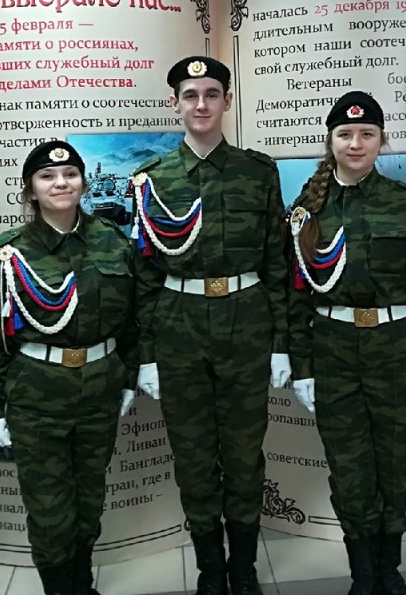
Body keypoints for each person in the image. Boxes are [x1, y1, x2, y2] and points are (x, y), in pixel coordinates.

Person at [287, 91, 406, 595]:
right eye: (345, 134)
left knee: (394, 467)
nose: (356, 143)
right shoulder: (307, 210)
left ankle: (389, 571)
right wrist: (302, 366)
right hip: (333, 352)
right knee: (348, 470)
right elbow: (294, 297)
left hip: (396, 351)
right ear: (331, 140)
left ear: (381, 140)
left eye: (367, 134)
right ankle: (363, 576)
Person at [132, 56, 290, 595]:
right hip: (179, 327)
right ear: (174, 102)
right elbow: (146, 276)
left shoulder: (258, 171)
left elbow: (276, 263)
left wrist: (281, 344)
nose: (201, 104)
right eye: (190, 94)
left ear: (227, 100)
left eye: (211, 94)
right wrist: (147, 355)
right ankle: (210, 570)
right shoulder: (151, 181)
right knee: (194, 455)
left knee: (244, 455)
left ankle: (243, 568)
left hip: (246, 322)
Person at [0, 140, 137, 595]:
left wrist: (128, 377)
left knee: (89, 498)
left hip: (100, 387)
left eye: (69, 175)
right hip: (37, 392)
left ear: (83, 182)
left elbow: (132, 321)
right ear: (30, 189)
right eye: (47, 176)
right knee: (49, 509)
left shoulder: (113, 241)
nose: (60, 183)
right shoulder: (8, 253)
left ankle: (82, 584)